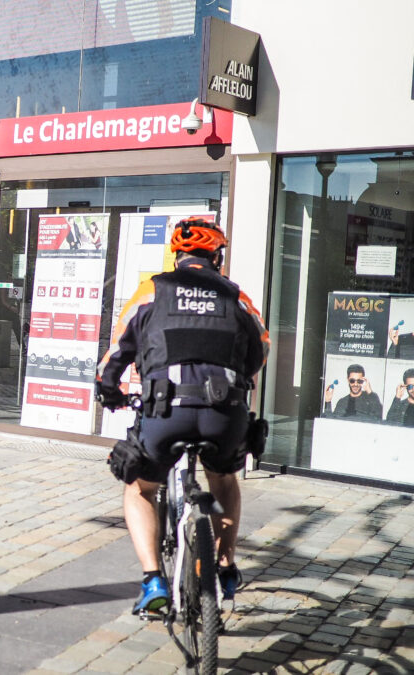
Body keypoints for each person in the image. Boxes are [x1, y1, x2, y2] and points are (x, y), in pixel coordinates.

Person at [95, 217, 269, 615]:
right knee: (223, 479)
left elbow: (117, 352)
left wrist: (109, 390)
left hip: (164, 412)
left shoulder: (152, 290)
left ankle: (153, 580)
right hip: (223, 414)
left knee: (140, 488)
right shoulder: (236, 296)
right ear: (217, 256)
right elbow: (260, 350)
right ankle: (225, 565)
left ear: (177, 256)